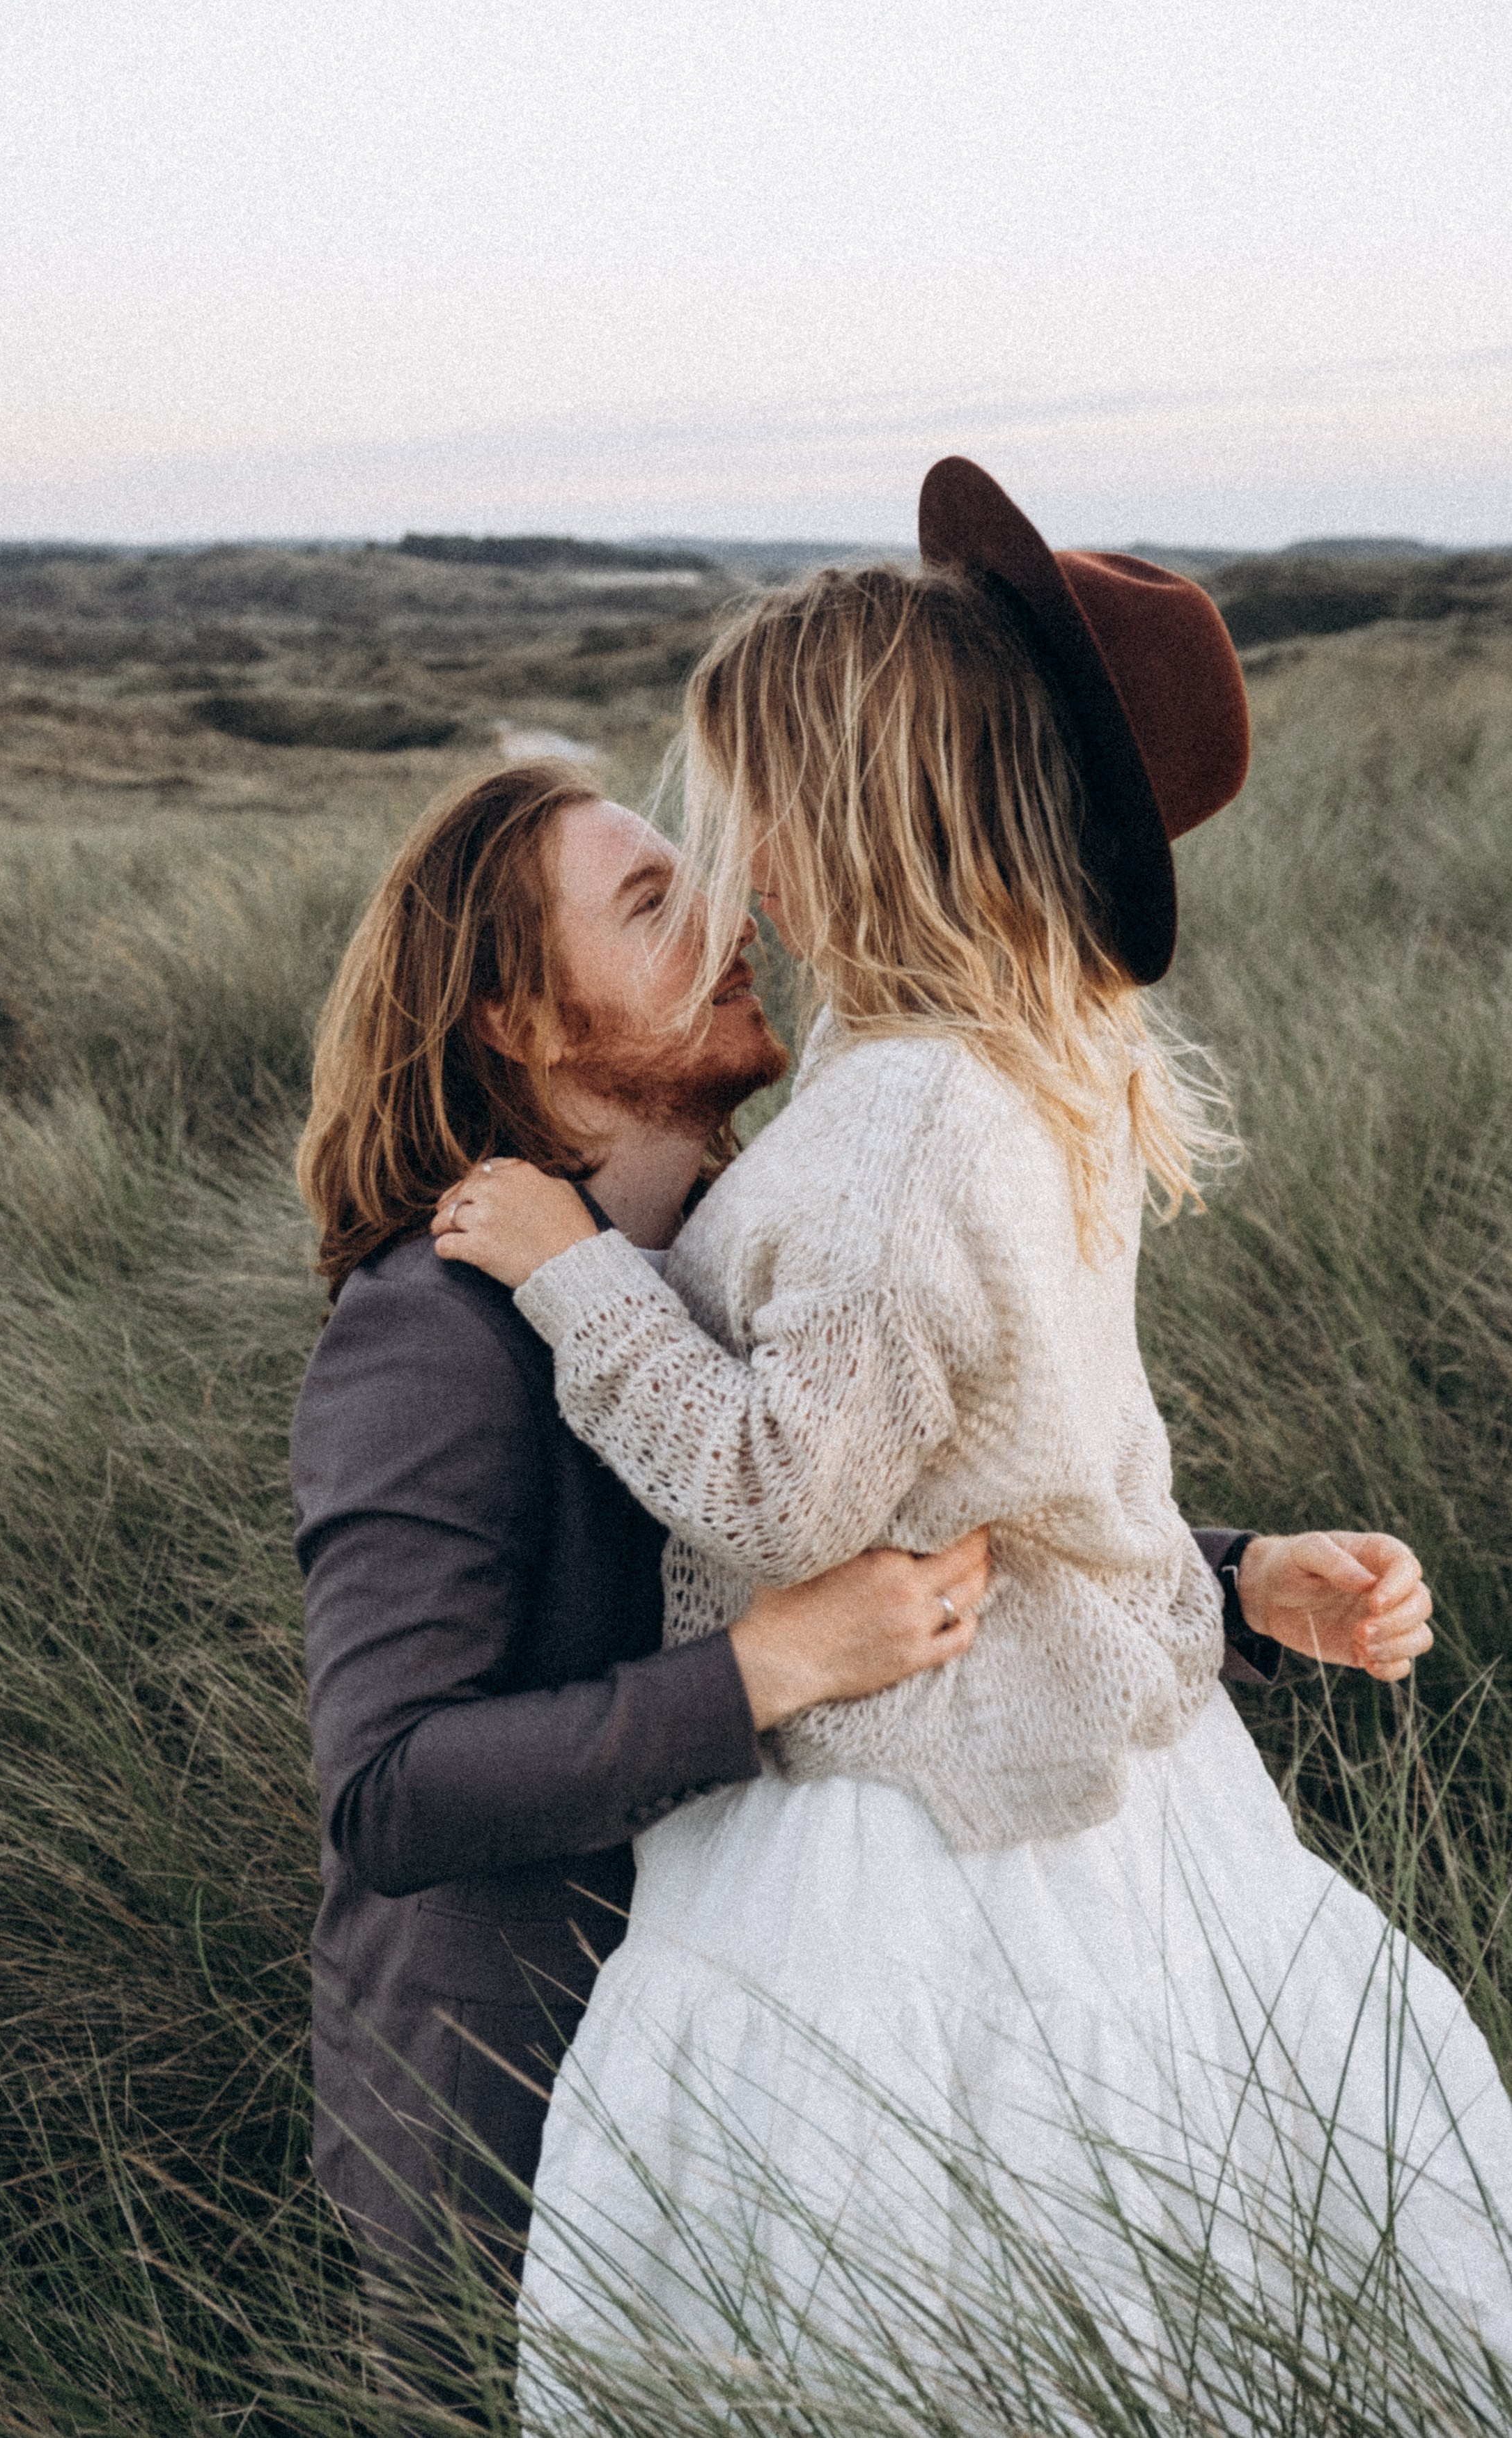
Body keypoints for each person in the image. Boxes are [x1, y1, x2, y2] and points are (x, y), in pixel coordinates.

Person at [431, 461, 1509, 2405]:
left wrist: (576, 1275)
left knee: (900, 2297)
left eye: (753, 804)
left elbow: (791, 1487)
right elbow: (1021, 1463)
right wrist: (1239, 1577)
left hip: (909, 1833)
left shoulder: (902, 1123)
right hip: (1082, 1784)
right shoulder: (987, 1065)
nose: (734, 859)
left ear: (847, 818)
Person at [290, 758, 1425, 2358]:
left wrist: (1231, 1582)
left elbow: (894, 1519)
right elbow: (392, 1789)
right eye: (652, 905)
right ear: (521, 1020)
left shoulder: (759, 1231)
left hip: (785, 2073)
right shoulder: (430, 1332)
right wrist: (767, 1671)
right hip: (516, 2123)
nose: (730, 918)